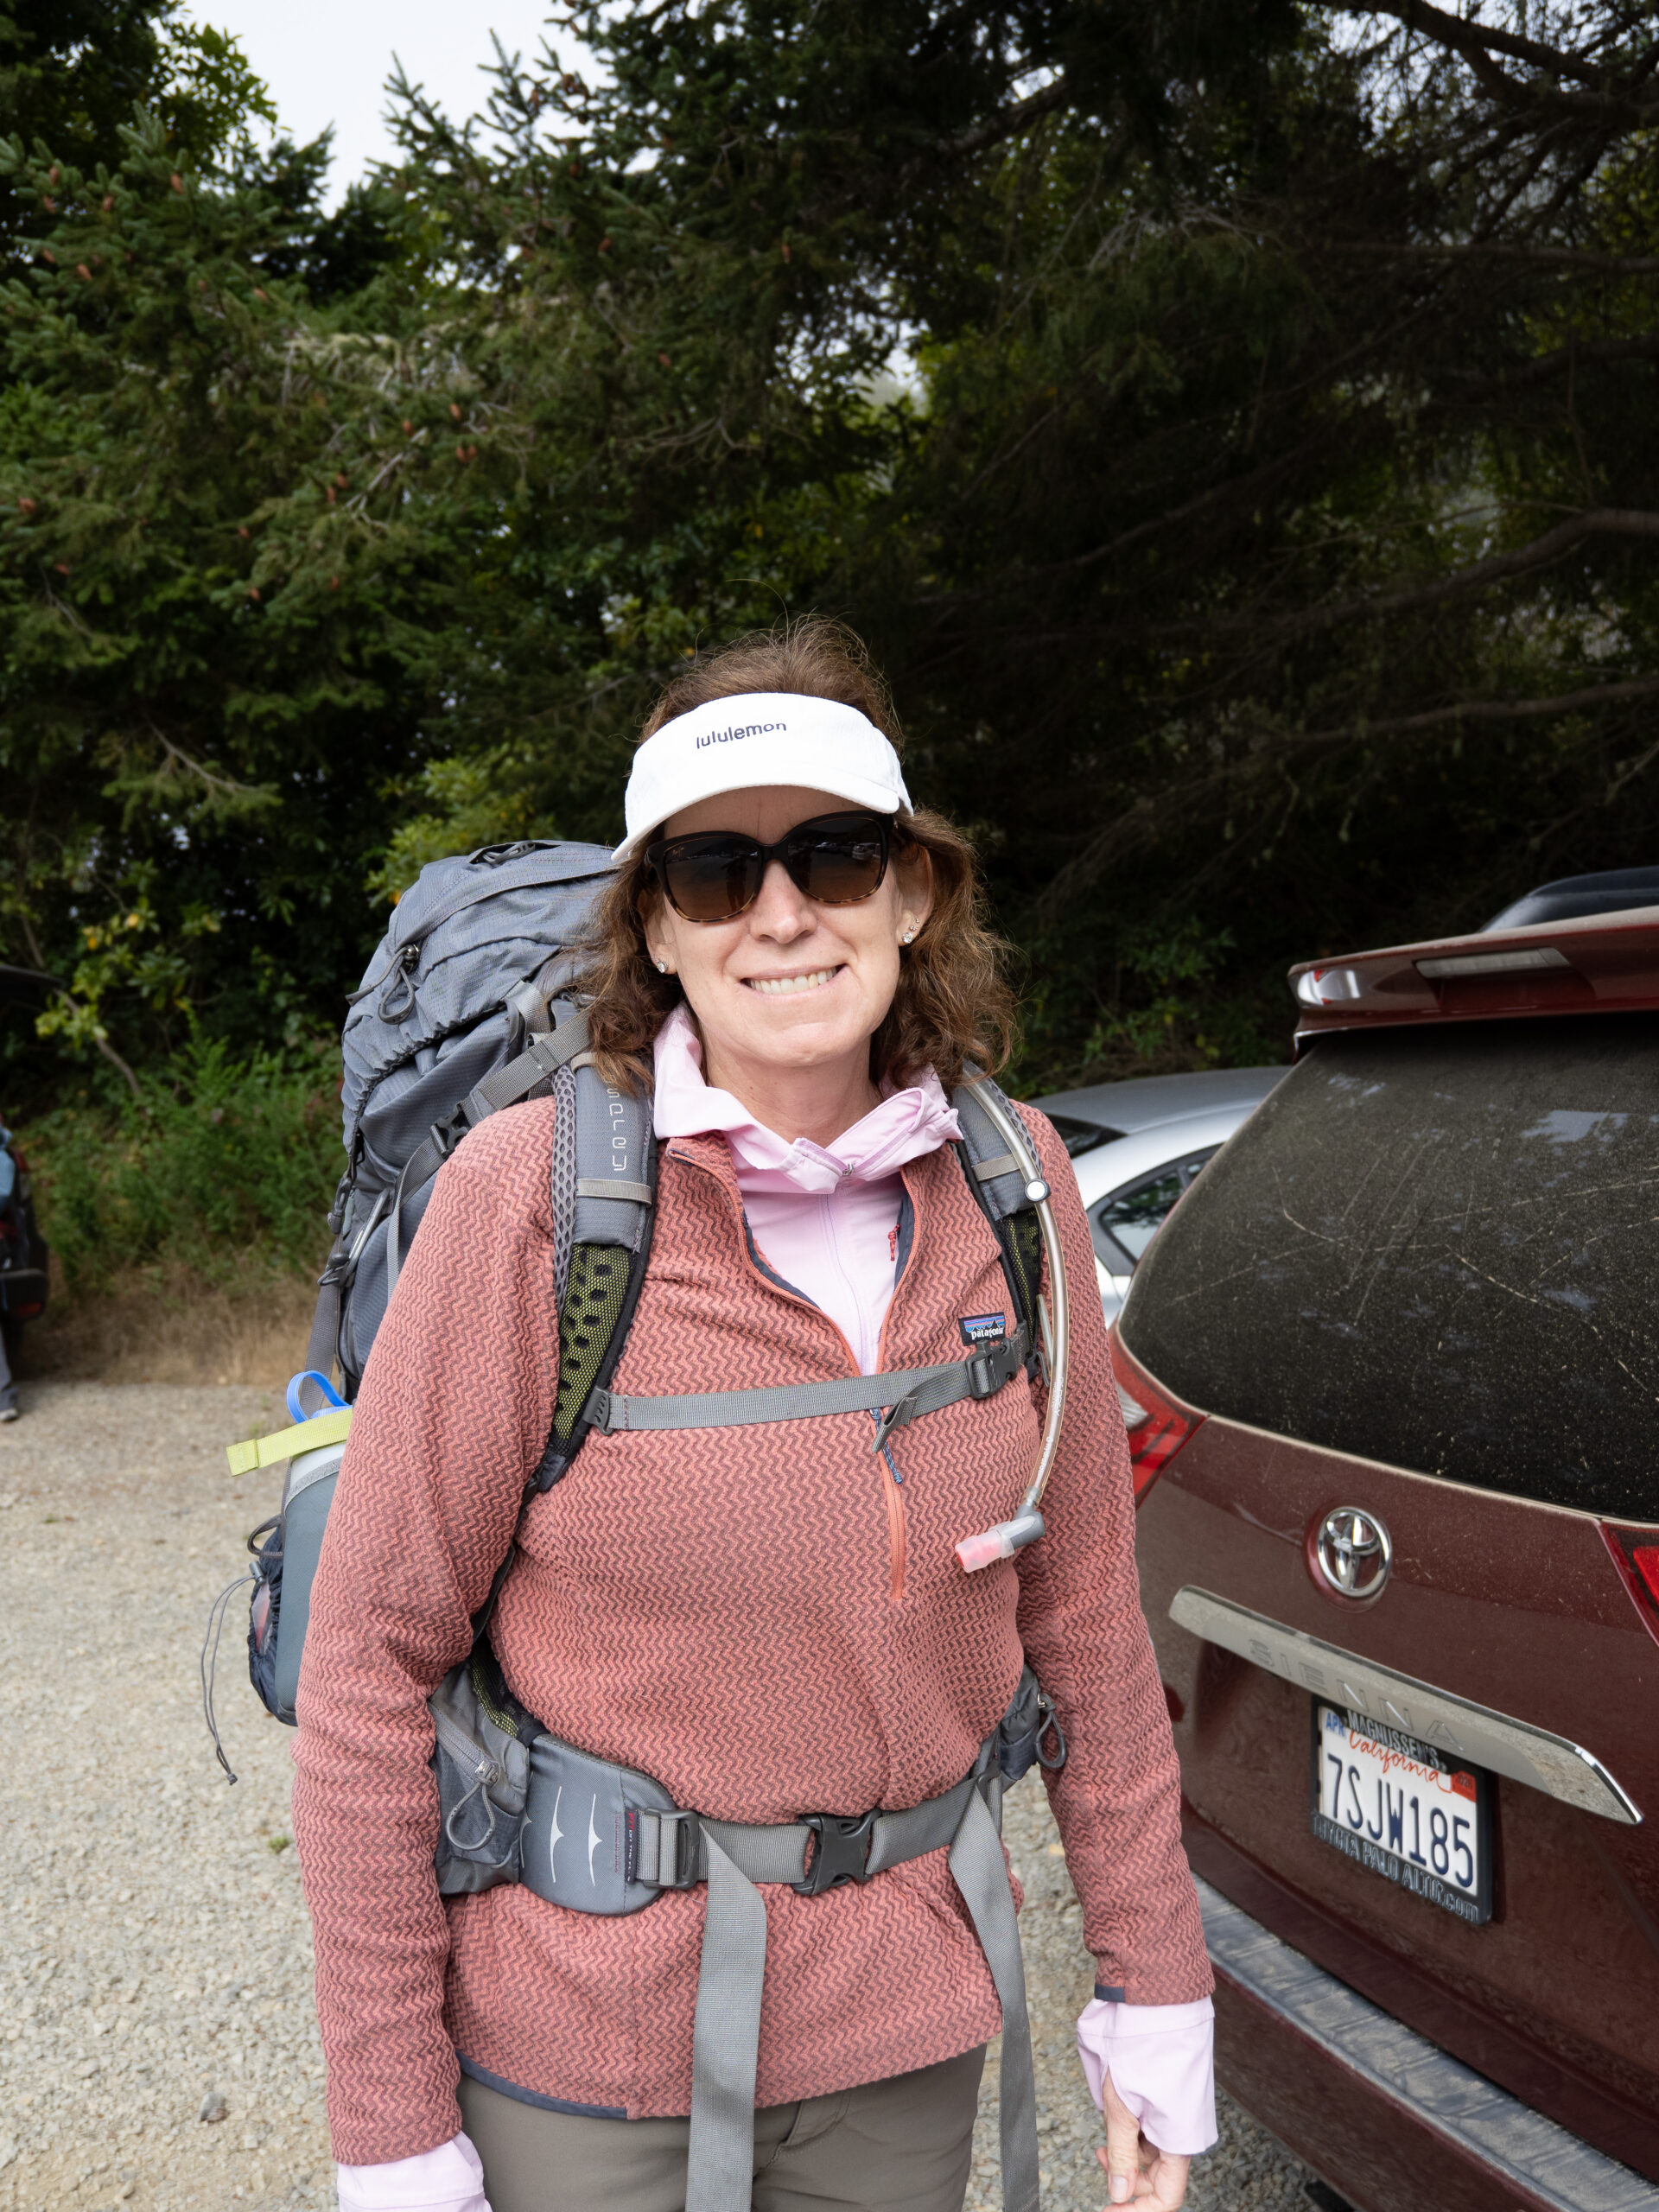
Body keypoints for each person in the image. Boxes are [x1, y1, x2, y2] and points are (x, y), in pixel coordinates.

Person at [291, 620, 1217, 2212]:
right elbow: (370, 1663)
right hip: (585, 2056)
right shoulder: (534, 1202)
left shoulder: (1015, 1184)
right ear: (656, 926)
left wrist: (1155, 1992)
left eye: (835, 855)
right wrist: (393, 2132)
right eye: (717, 871)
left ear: (913, 893)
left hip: (901, 2042)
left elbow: (1085, 1622)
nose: (782, 914)